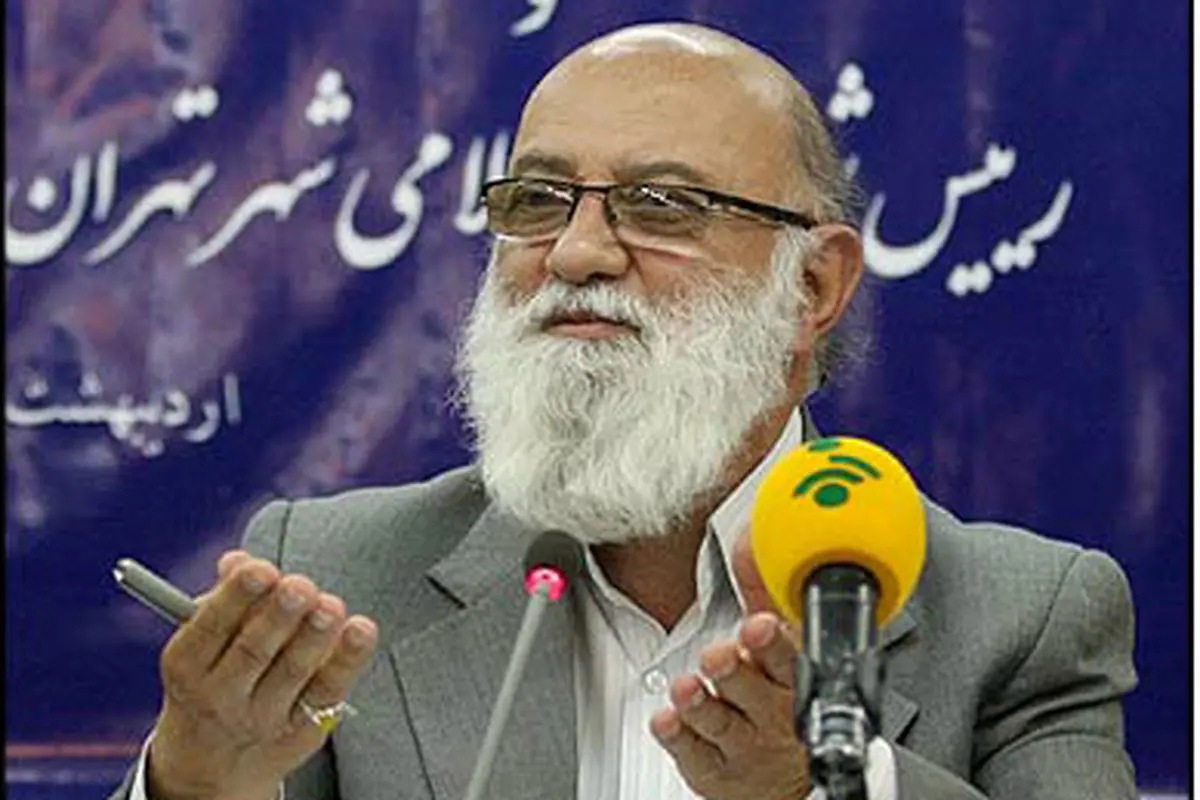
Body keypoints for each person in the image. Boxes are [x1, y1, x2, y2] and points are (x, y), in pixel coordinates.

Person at [108, 21, 1138, 800]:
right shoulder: (336, 576)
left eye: (661, 205)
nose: (577, 252)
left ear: (814, 285)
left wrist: (824, 786)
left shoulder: (1018, 617)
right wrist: (195, 781)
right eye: (536, 201)